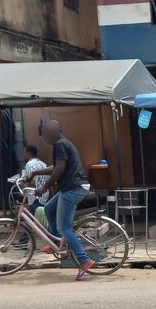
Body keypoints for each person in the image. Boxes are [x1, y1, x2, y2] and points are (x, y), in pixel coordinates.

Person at [33, 120, 94, 280]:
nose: (48, 135)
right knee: (48, 209)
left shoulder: (61, 144)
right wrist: (35, 173)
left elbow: (59, 169)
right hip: (71, 188)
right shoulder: (61, 145)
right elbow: (55, 167)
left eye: (50, 132)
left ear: (60, 130)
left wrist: (44, 188)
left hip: (73, 189)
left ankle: (84, 259)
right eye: (46, 133)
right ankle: (55, 244)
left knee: (64, 227)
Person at [20, 144, 51, 215]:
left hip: (35, 197)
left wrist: (23, 183)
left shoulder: (29, 164)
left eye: (24, 152)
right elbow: (48, 180)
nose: (23, 154)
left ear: (28, 153)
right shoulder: (43, 164)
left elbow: (32, 183)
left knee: (34, 219)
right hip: (44, 196)